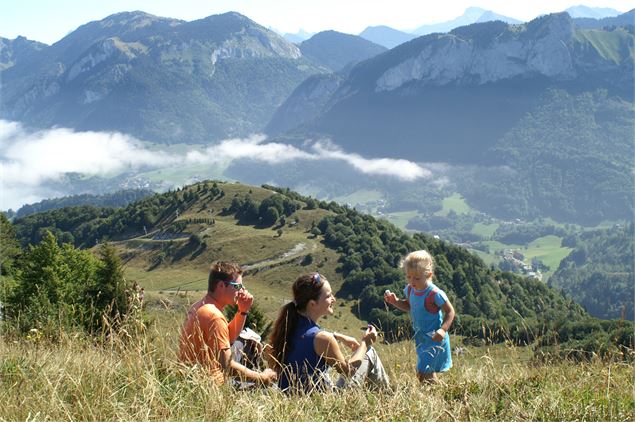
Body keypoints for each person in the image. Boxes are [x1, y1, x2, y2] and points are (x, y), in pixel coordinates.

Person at [267, 272, 390, 393]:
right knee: (369, 352)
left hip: (292, 400)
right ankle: (386, 397)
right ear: (312, 304)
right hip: (321, 404)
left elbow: (308, 338)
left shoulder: (287, 328)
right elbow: (348, 371)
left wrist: (337, 336)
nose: (334, 299)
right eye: (328, 296)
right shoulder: (322, 339)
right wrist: (365, 342)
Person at [178, 261, 277, 386]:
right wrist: (263, 378)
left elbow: (228, 338)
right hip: (208, 386)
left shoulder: (199, 306)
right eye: (237, 286)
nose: (242, 291)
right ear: (221, 286)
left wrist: (243, 311)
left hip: (191, 380)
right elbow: (227, 366)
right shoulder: (214, 316)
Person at [384, 250, 455, 384]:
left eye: (416, 278)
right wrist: (395, 301)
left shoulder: (434, 293)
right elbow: (409, 306)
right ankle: (440, 392)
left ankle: (437, 395)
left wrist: (443, 330)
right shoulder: (410, 289)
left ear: (428, 275)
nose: (412, 281)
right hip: (421, 338)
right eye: (408, 277)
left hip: (435, 338)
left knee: (423, 372)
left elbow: (450, 311)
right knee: (425, 372)